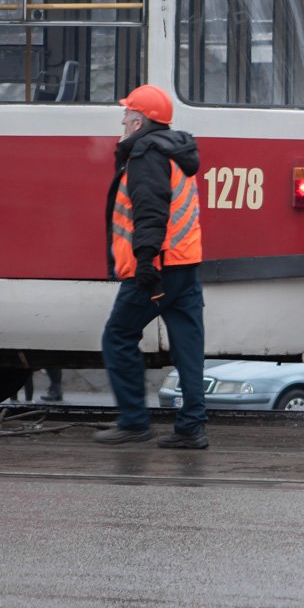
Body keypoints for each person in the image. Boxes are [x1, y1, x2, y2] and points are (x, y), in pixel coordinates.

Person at [95, 84, 208, 449]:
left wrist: (144, 261)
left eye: (127, 115)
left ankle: (133, 421)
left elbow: (151, 212)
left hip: (157, 266)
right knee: (187, 346)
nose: (123, 121)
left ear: (140, 122)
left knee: (117, 336)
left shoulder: (146, 155)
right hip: (186, 263)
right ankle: (191, 428)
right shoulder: (176, 151)